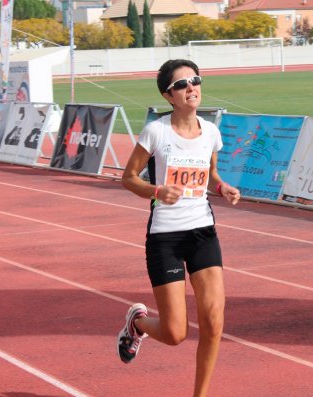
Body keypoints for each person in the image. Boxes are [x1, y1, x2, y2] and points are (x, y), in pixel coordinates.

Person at [118, 59, 240, 397]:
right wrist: (157, 191)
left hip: (202, 231)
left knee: (214, 322)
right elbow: (128, 178)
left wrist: (221, 186)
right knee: (175, 334)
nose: (191, 88)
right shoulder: (156, 132)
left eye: (195, 81)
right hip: (165, 237)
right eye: (182, 84)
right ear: (168, 95)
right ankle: (137, 322)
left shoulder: (211, 132)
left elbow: (210, 175)